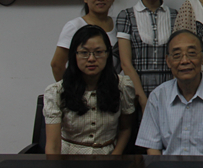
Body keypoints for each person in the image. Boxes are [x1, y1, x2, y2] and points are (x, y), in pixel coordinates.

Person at [136, 29, 203, 155]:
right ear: (168, 61)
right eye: (177, 55)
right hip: (168, 166)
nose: (185, 61)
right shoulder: (158, 96)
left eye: (192, 53)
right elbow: (152, 147)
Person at [43, 25, 135, 154]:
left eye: (98, 52)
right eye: (84, 53)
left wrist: (115, 156)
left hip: (108, 157)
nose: (91, 59)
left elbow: (125, 128)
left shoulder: (122, 86)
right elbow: (53, 147)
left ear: (108, 54)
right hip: (69, 159)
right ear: (74, 55)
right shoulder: (57, 92)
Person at [117, 0, 178, 112]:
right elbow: (126, 63)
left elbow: (177, 59)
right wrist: (143, 100)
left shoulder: (175, 16)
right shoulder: (126, 16)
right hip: (137, 92)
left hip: (170, 91)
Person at [51, 0, 120, 81]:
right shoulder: (75, 26)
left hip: (111, 88)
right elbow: (57, 65)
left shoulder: (120, 24)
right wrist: (71, 88)